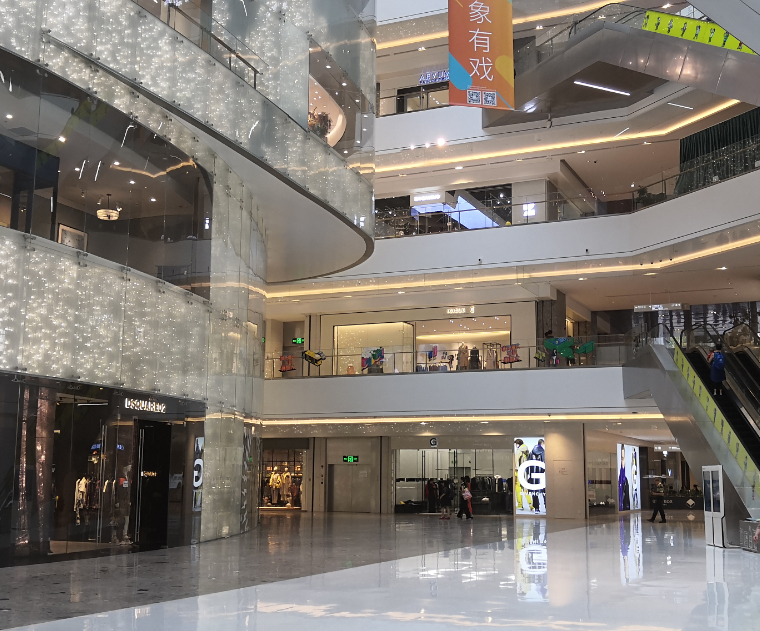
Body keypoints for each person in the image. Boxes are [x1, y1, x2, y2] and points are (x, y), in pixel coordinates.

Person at [618, 444, 630, 511]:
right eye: (621, 459)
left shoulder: (625, 479)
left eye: (623, 458)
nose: (622, 461)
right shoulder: (619, 477)